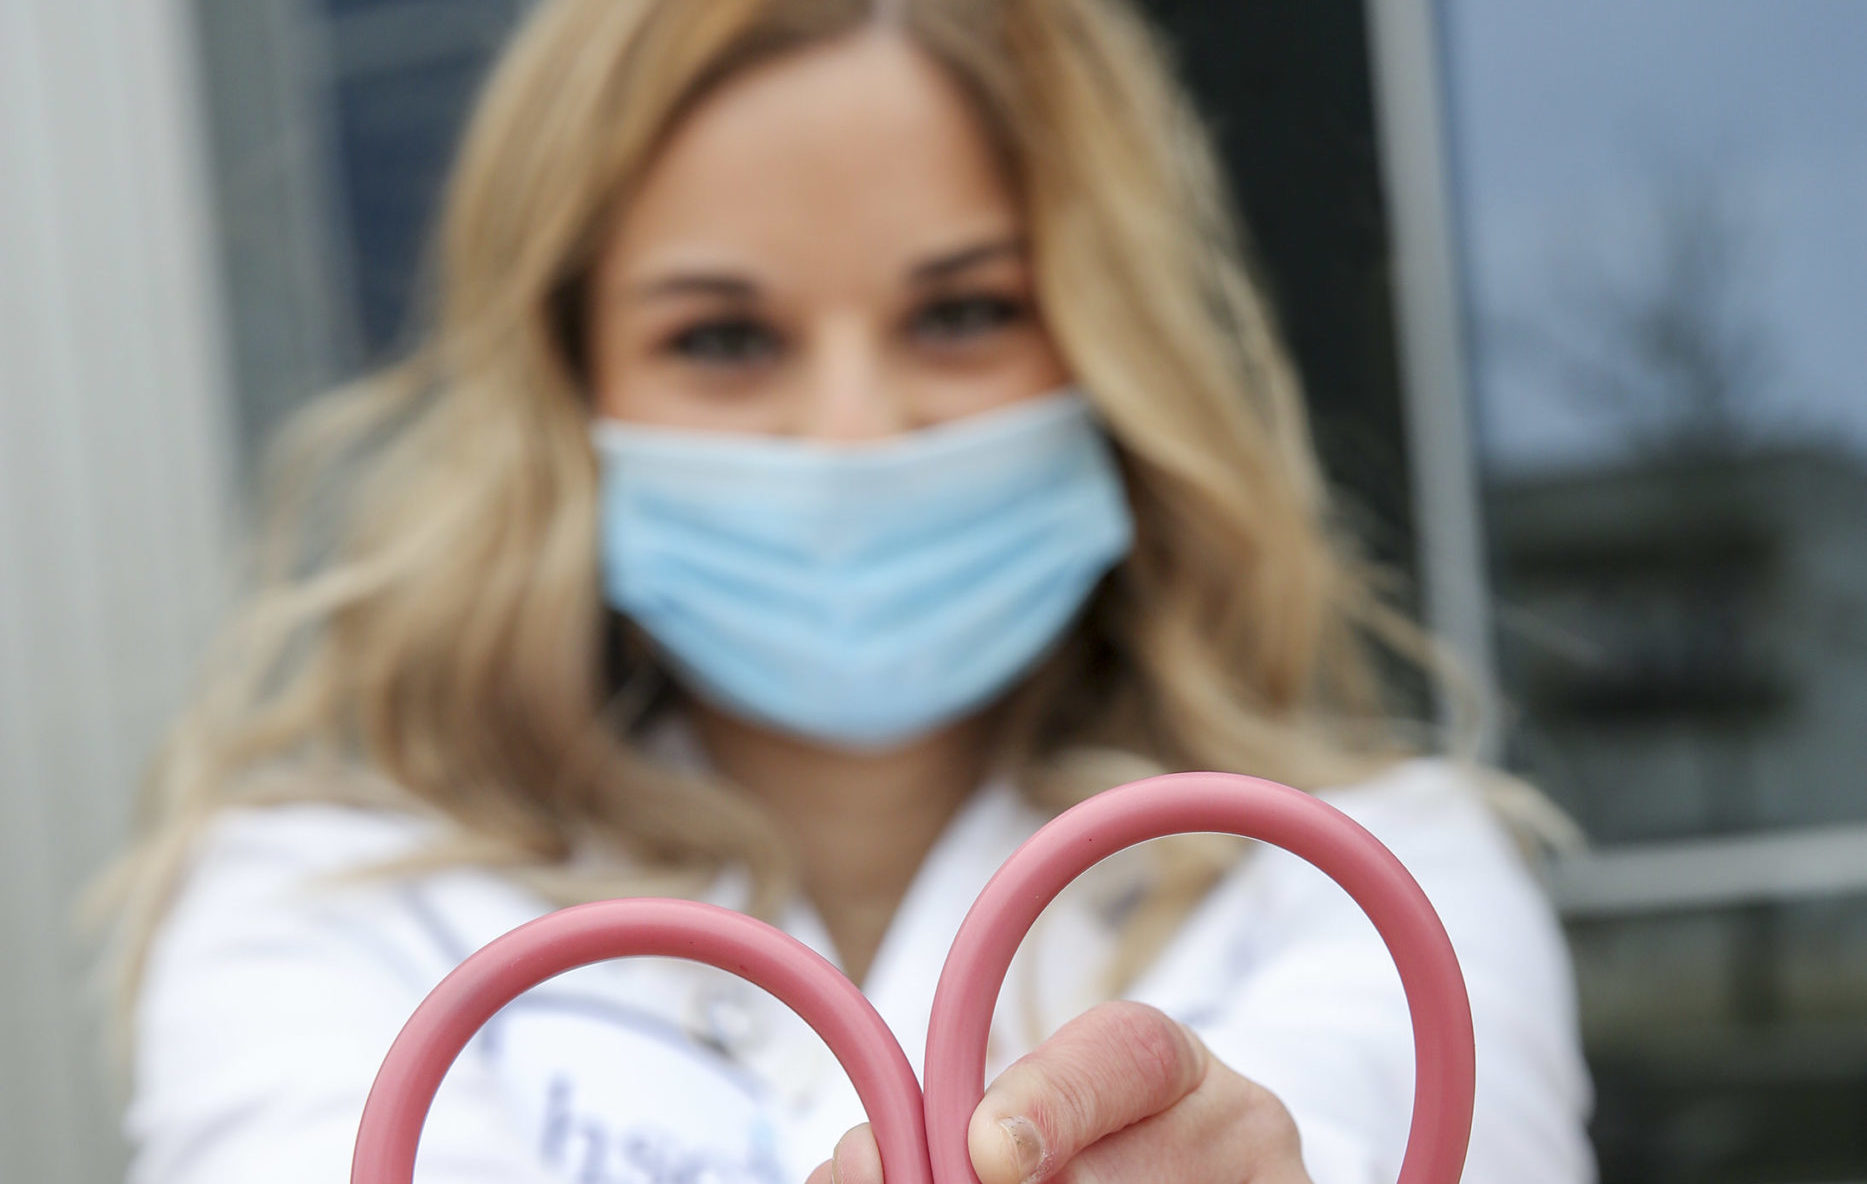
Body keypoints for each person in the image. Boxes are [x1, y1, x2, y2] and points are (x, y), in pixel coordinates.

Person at [97, 1, 1595, 1182]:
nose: (853, 433)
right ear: (566, 390)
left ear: (1107, 349)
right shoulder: (320, 908)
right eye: (726, 339)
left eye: (962, 313)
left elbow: (1374, 1115)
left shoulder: (1370, 881)